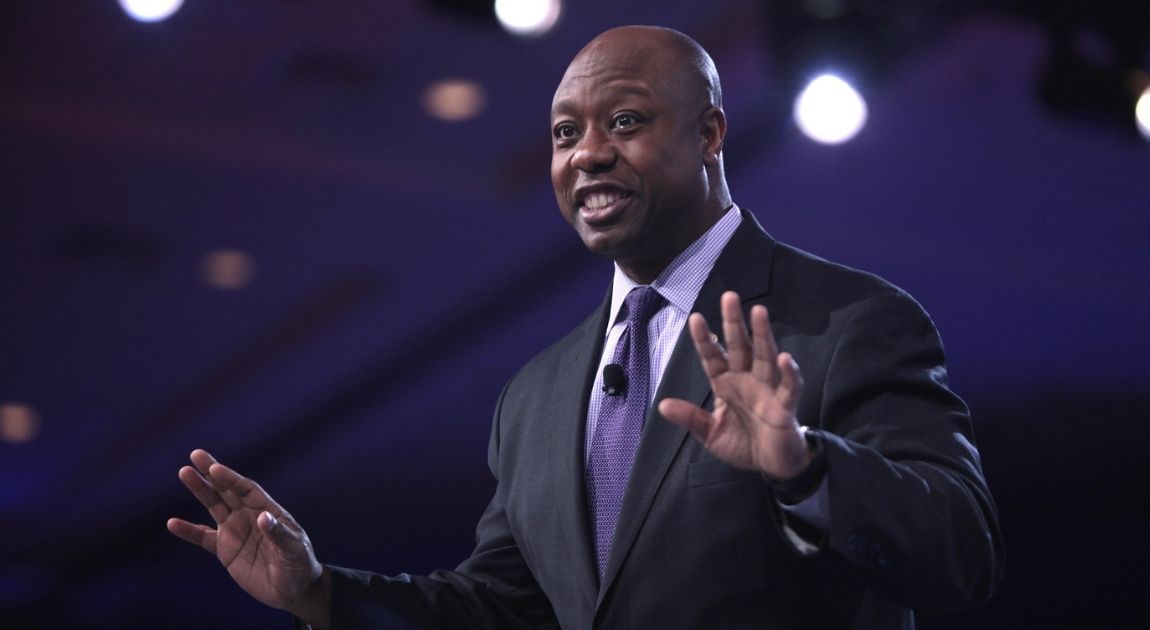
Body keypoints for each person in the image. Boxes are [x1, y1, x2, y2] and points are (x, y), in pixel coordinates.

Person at [168, 25, 1003, 629]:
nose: (588, 154)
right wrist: (318, 592)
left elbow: (961, 553)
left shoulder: (846, 322)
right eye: (567, 133)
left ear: (711, 132)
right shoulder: (534, 398)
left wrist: (804, 469)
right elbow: (500, 610)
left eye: (627, 122)